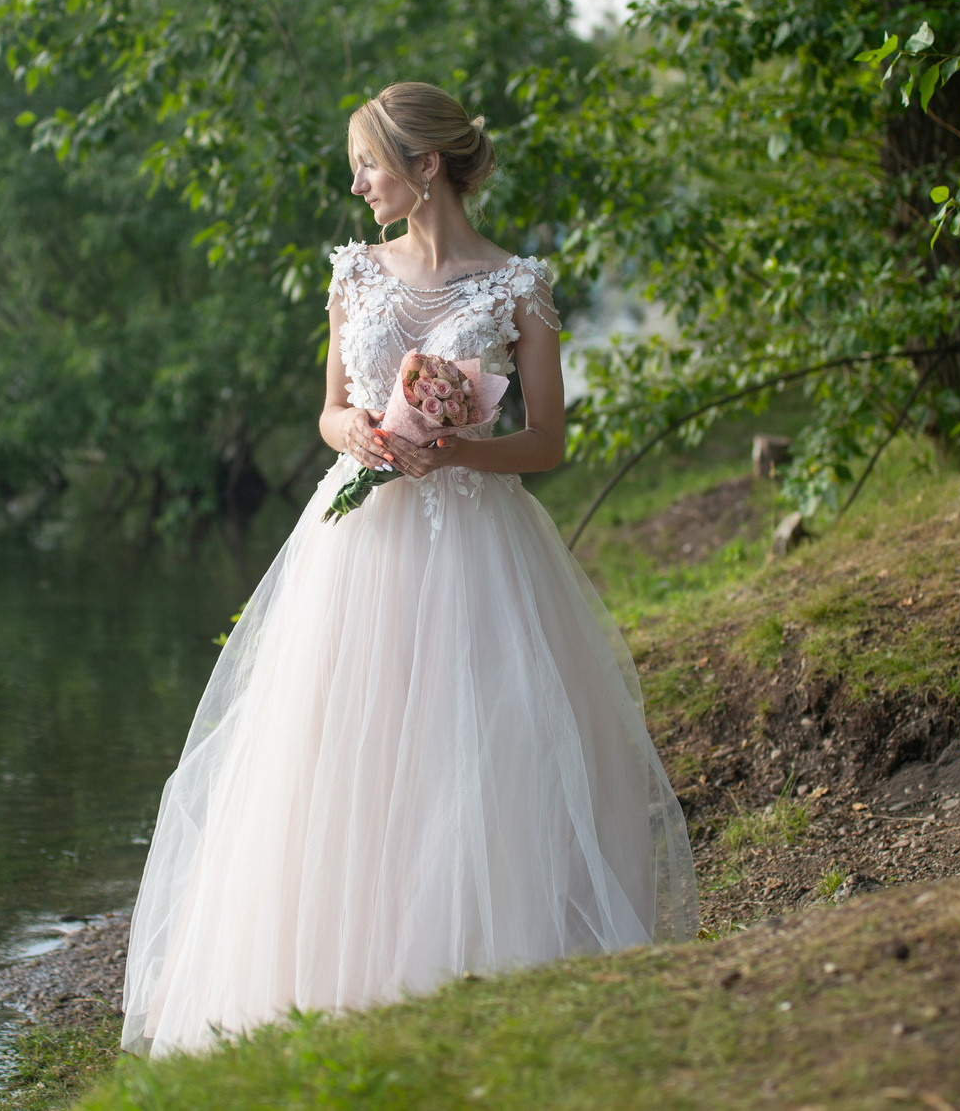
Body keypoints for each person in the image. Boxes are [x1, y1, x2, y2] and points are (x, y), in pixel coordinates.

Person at [121, 82, 697, 1056]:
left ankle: (478, 969)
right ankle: (341, 983)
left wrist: (459, 447)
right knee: (344, 752)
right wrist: (353, 431)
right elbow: (329, 410)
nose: (357, 185)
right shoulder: (353, 273)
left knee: (469, 750)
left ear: (425, 166)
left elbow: (547, 440)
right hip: (358, 547)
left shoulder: (517, 286)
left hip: (477, 545)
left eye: (369, 164)